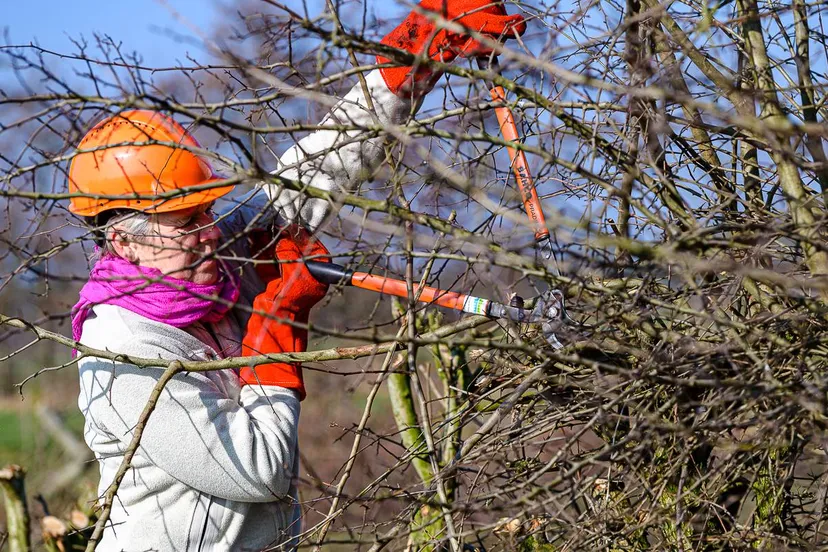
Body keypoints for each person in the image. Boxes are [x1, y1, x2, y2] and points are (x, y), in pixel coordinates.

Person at [69, 1, 525, 549]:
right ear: (123, 240)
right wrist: (274, 331)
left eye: (209, 212)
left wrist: (407, 65)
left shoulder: (210, 267)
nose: (212, 231)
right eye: (189, 221)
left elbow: (312, 175)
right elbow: (256, 471)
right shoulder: (120, 351)